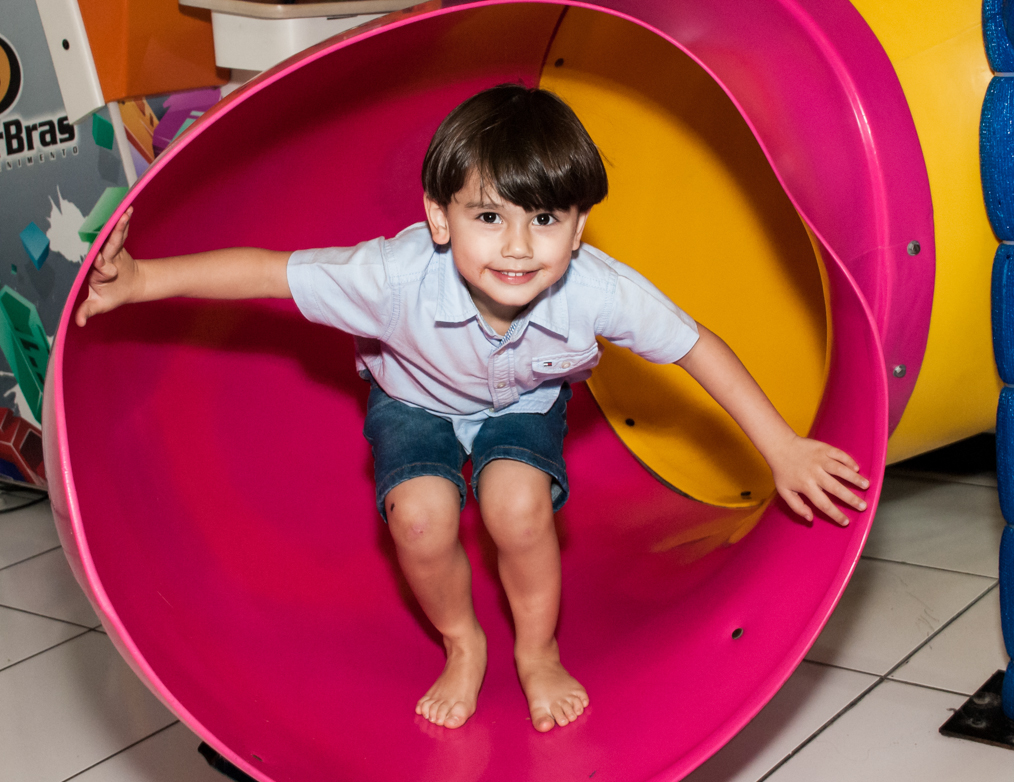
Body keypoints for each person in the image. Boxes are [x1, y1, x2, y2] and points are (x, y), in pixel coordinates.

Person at [75, 84, 869, 734]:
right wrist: (140, 281)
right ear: (438, 217)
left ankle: (537, 651)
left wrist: (782, 447)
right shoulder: (392, 277)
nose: (519, 247)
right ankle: (463, 643)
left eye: (546, 219)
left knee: (516, 507)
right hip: (412, 395)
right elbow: (268, 273)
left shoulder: (598, 287)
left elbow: (697, 345)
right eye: (489, 217)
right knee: (418, 519)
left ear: (580, 225)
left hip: (523, 399)